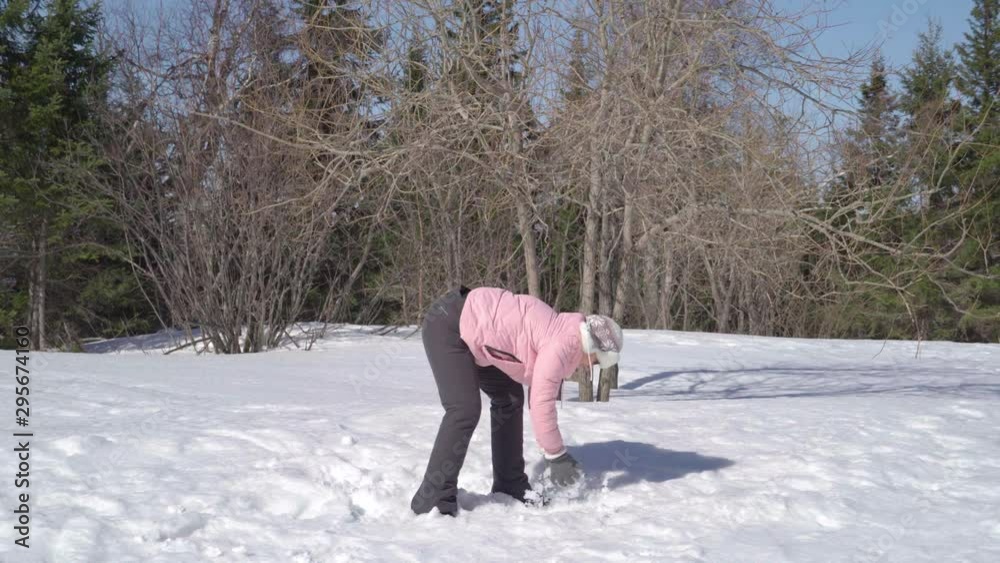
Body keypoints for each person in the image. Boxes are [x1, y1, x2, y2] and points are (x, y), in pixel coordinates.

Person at [410, 285, 624, 517]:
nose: (589, 367)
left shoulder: (564, 332)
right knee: (464, 409)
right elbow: (541, 401)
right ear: (591, 348)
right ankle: (432, 498)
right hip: (449, 324)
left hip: (473, 331)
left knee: (509, 398)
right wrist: (556, 454)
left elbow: (538, 388)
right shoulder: (563, 345)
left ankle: (509, 483)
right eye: (595, 362)